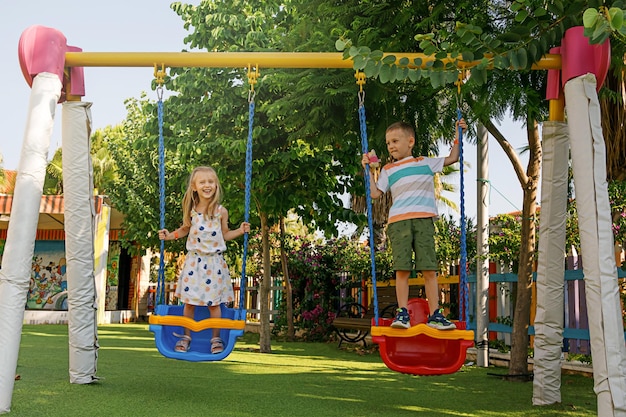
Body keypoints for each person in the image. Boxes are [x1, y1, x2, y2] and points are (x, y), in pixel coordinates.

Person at [361, 119, 467, 330]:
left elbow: (453, 157)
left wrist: (458, 134)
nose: (391, 145)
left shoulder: (424, 162)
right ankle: (402, 314)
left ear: (410, 141)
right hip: (398, 222)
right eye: (388, 142)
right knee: (402, 270)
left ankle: (436, 315)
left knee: (429, 270)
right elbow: (374, 193)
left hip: (424, 220)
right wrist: (368, 170)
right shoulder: (388, 170)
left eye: (395, 140)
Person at [159, 166, 250, 353]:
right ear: (194, 186)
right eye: (202, 182)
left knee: (214, 304)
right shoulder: (191, 210)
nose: (207, 185)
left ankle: (215, 339)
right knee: (189, 303)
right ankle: (186, 337)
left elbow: (225, 235)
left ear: (216, 185)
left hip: (214, 263)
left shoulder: (220, 212)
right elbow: (184, 229)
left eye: (211, 182)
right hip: (194, 262)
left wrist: (240, 231)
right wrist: (169, 236)